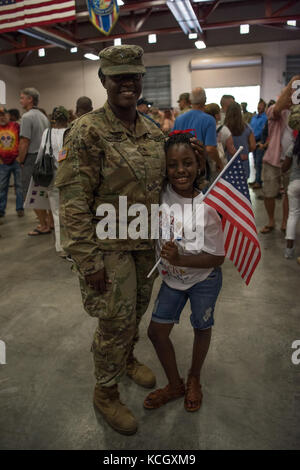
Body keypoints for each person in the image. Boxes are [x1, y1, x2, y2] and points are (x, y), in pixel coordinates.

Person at [55, 45, 167, 436]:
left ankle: (128, 358)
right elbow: (72, 202)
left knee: (135, 311)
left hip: (144, 243)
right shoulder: (87, 131)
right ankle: (105, 391)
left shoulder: (153, 132)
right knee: (114, 320)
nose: (127, 83)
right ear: (103, 80)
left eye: (134, 75)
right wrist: (88, 262)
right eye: (118, 76)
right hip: (107, 247)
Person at [143, 132, 225, 412]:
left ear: (198, 165)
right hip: (171, 281)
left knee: (202, 327)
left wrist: (182, 257)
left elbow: (217, 258)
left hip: (204, 280)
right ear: (164, 169)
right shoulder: (161, 191)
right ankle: (174, 383)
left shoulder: (207, 207)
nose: (180, 170)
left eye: (187, 163)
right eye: (173, 165)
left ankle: (194, 377)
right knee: (156, 332)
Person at [260, 75, 300, 234]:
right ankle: (271, 221)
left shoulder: (297, 113)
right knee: (269, 192)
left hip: (293, 161)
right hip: (273, 160)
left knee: (289, 194)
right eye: (289, 93)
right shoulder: (273, 110)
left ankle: (284, 222)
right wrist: (293, 81)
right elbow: (278, 108)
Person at [36, 106, 69, 253]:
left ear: (53, 120)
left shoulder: (47, 133)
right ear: (67, 119)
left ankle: (60, 246)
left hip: (52, 177)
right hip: (69, 177)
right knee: (72, 212)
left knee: (56, 212)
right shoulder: (71, 131)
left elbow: (41, 154)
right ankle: (73, 244)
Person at [17, 87, 49, 234]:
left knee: (31, 193)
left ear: (30, 99)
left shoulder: (27, 117)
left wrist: (20, 159)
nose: (20, 100)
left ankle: (43, 225)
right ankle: (50, 222)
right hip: (44, 158)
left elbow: (24, 141)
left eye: (22, 97)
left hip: (31, 158)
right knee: (43, 192)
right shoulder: (43, 116)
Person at [173, 88, 223, 181]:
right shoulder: (209, 120)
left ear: (190, 100)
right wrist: (219, 163)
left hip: (180, 166)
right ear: (205, 100)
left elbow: (172, 143)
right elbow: (210, 149)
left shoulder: (179, 119)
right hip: (200, 166)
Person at [282, 105, 300, 261]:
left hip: (294, 184)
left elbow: (284, 167)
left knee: (292, 216)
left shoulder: (293, 147)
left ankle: (288, 251)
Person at [0, 105, 24, 218]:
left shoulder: (16, 126)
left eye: (4, 115)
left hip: (16, 161)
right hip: (2, 163)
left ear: (8, 116)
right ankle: (1, 210)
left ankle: (20, 208)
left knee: (19, 186)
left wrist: (20, 157)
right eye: (0, 116)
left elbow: (22, 141)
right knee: (2, 187)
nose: (2, 117)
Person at [224, 102, 256, 179]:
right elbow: (253, 146)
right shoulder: (247, 127)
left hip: (228, 163)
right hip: (243, 162)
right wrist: (245, 151)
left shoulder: (224, 128)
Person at [205, 103, 236, 167]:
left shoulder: (203, 128)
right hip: (220, 164)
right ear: (217, 115)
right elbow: (231, 150)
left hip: (206, 163)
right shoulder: (224, 130)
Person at [249, 99, 267, 189]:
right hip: (253, 142)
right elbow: (251, 128)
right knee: (255, 162)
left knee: (258, 162)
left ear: (264, 107)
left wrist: (262, 142)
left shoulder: (265, 118)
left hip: (260, 142)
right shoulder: (254, 117)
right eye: (258, 106)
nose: (259, 107)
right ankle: (256, 180)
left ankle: (258, 182)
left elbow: (265, 131)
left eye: (261, 106)